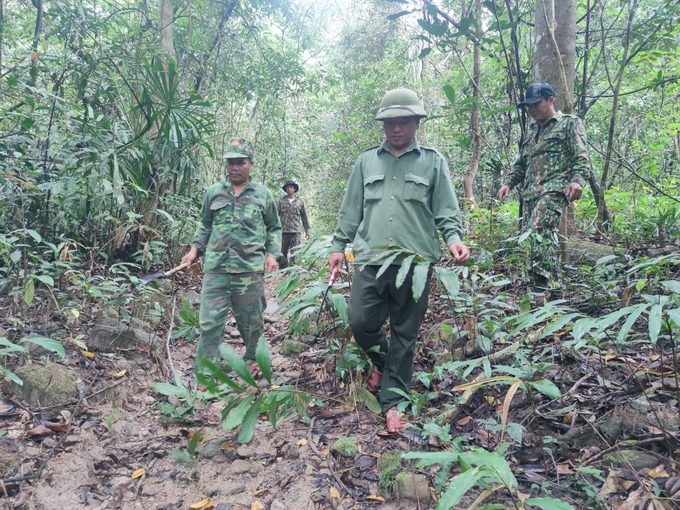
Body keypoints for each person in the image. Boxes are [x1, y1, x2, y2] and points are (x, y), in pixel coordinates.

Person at [328, 88, 469, 434]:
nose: (395, 128)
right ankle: (384, 363)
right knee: (361, 322)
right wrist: (337, 245)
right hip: (371, 259)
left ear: (417, 122)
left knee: (406, 333)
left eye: (403, 121)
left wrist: (454, 240)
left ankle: (394, 403)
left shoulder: (434, 161)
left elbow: (447, 211)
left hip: (416, 264)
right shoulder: (366, 161)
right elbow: (351, 210)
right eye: (390, 122)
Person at [181, 138, 282, 377]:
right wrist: (194, 251)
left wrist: (272, 254)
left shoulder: (263, 194)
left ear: (251, 164)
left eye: (240, 162)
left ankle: (253, 359)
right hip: (216, 268)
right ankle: (206, 371)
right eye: (230, 162)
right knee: (210, 322)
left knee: (252, 319)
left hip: (249, 269)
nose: (235, 167)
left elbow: (274, 227)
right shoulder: (214, 192)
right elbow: (205, 225)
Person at [497, 82, 590, 297]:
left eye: (536, 103)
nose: (531, 109)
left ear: (550, 100)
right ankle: (547, 289)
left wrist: (577, 181)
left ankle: (545, 290)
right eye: (528, 105)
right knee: (535, 237)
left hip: (555, 189)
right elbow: (521, 164)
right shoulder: (530, 133)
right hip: (531, 195)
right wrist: (508, 183)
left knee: (539, 229)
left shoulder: (569, 123)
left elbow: (581, 156)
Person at [277, 180, 311, 268]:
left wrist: (307, 230)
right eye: (287, 187)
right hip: (283, 231)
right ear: (285, 189)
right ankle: (283, 270)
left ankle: (292, 270)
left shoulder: (300, 202)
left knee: (294, 253)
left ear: (294, 189)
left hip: (295, 231)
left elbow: (304, 217)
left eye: (291, 187)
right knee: (283, 252)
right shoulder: (281, 201)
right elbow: (276, 216)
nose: (289, 189)